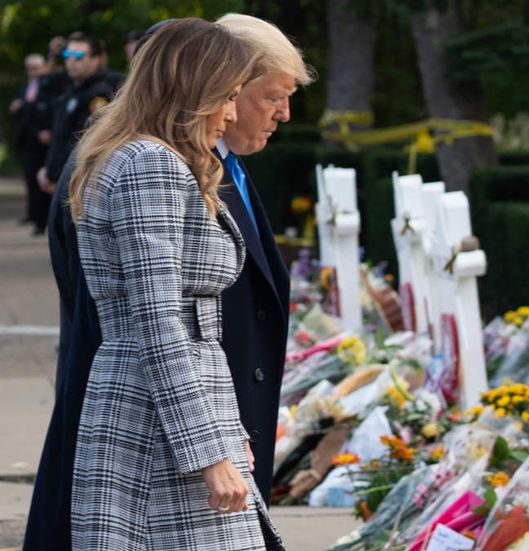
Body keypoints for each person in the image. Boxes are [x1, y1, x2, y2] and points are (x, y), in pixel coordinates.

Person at [24, 14, 313, 550]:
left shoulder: (160, 160)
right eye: (226, 95)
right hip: (154, 423)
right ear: (193, 90)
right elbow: (157, 323)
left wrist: (226, 428)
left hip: (174, 415)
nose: (230, 113)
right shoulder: (149, 165)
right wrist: (209, 449)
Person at [214, 13, 315, 503]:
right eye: (274, 97)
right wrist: (211, 447)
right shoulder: (174, 171)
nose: (284, 114)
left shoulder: (229, 163)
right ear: (228, 89)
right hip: (205, 452)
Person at [37, 31, 114, 195]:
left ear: (95, 60)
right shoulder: (72, 90)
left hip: (77, 187)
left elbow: (86, 144)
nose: (71, 60)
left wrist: (63, 181)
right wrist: (48, 168)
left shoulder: (99, 94)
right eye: (67, 54)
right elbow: (60, 136)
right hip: (60, 182)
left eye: (79, 55)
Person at [9, 54, 51, 234]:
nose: (32, 71)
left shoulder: (49, 86)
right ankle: (36, 217)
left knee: (46, 179)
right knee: (32, 180)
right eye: (30, 68)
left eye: (36, 67)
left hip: (46, 141)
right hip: (29, 140)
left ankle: (45, 218)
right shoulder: (26, 87)